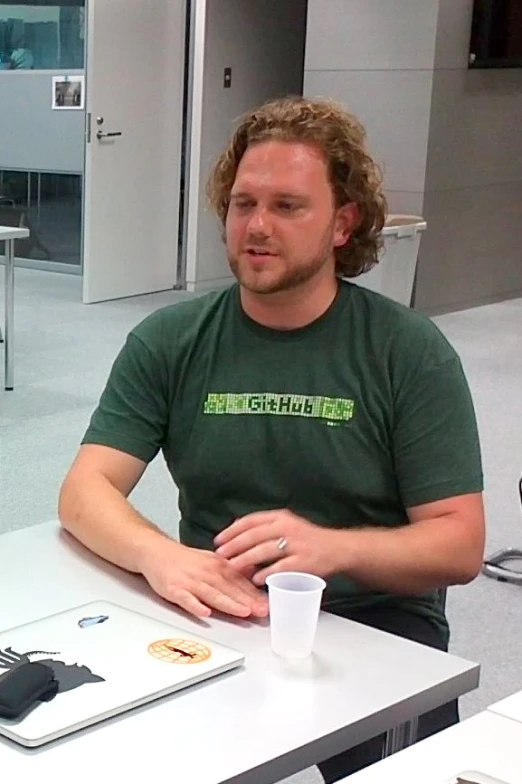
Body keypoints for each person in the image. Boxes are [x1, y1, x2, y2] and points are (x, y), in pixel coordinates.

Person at [59, 96, 485, 781]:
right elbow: (85, 490)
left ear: (344, 223)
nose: (256, 227)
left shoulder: (407, 351)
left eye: (288, 206)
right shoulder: (171, 341)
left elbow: (459, 543)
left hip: (370, 620)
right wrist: (159, 557)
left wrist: (329, 548)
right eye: (242, 204)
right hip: (212, 608)